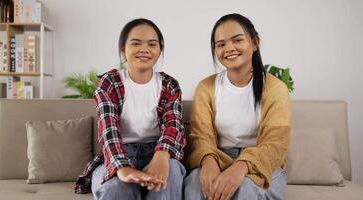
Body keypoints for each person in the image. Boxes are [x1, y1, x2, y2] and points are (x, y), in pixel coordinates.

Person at [75, 18, 186, 200]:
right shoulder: (109, 83)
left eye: (152, 44)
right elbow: (108, 131)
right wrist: (122, 167)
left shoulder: (169, 85)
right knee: (118, 189)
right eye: (136, 43)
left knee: (170, 177)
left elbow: (173, 125)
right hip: (118, 153)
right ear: (123, 49)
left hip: (158, 153)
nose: (144, 49)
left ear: (160, 50)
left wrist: (162, 155)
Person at [185, 13, 291, 200]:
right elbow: (200, 136)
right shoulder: (206, 88)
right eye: (221, 44)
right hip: (218, 158)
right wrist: (208, 162)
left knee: (245, 191)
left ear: (255, 42)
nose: (229, 48)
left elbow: (275, 143)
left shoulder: (275, 89)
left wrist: (241, 167)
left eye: (237, 40)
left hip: (262, 165)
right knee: (195, 187)